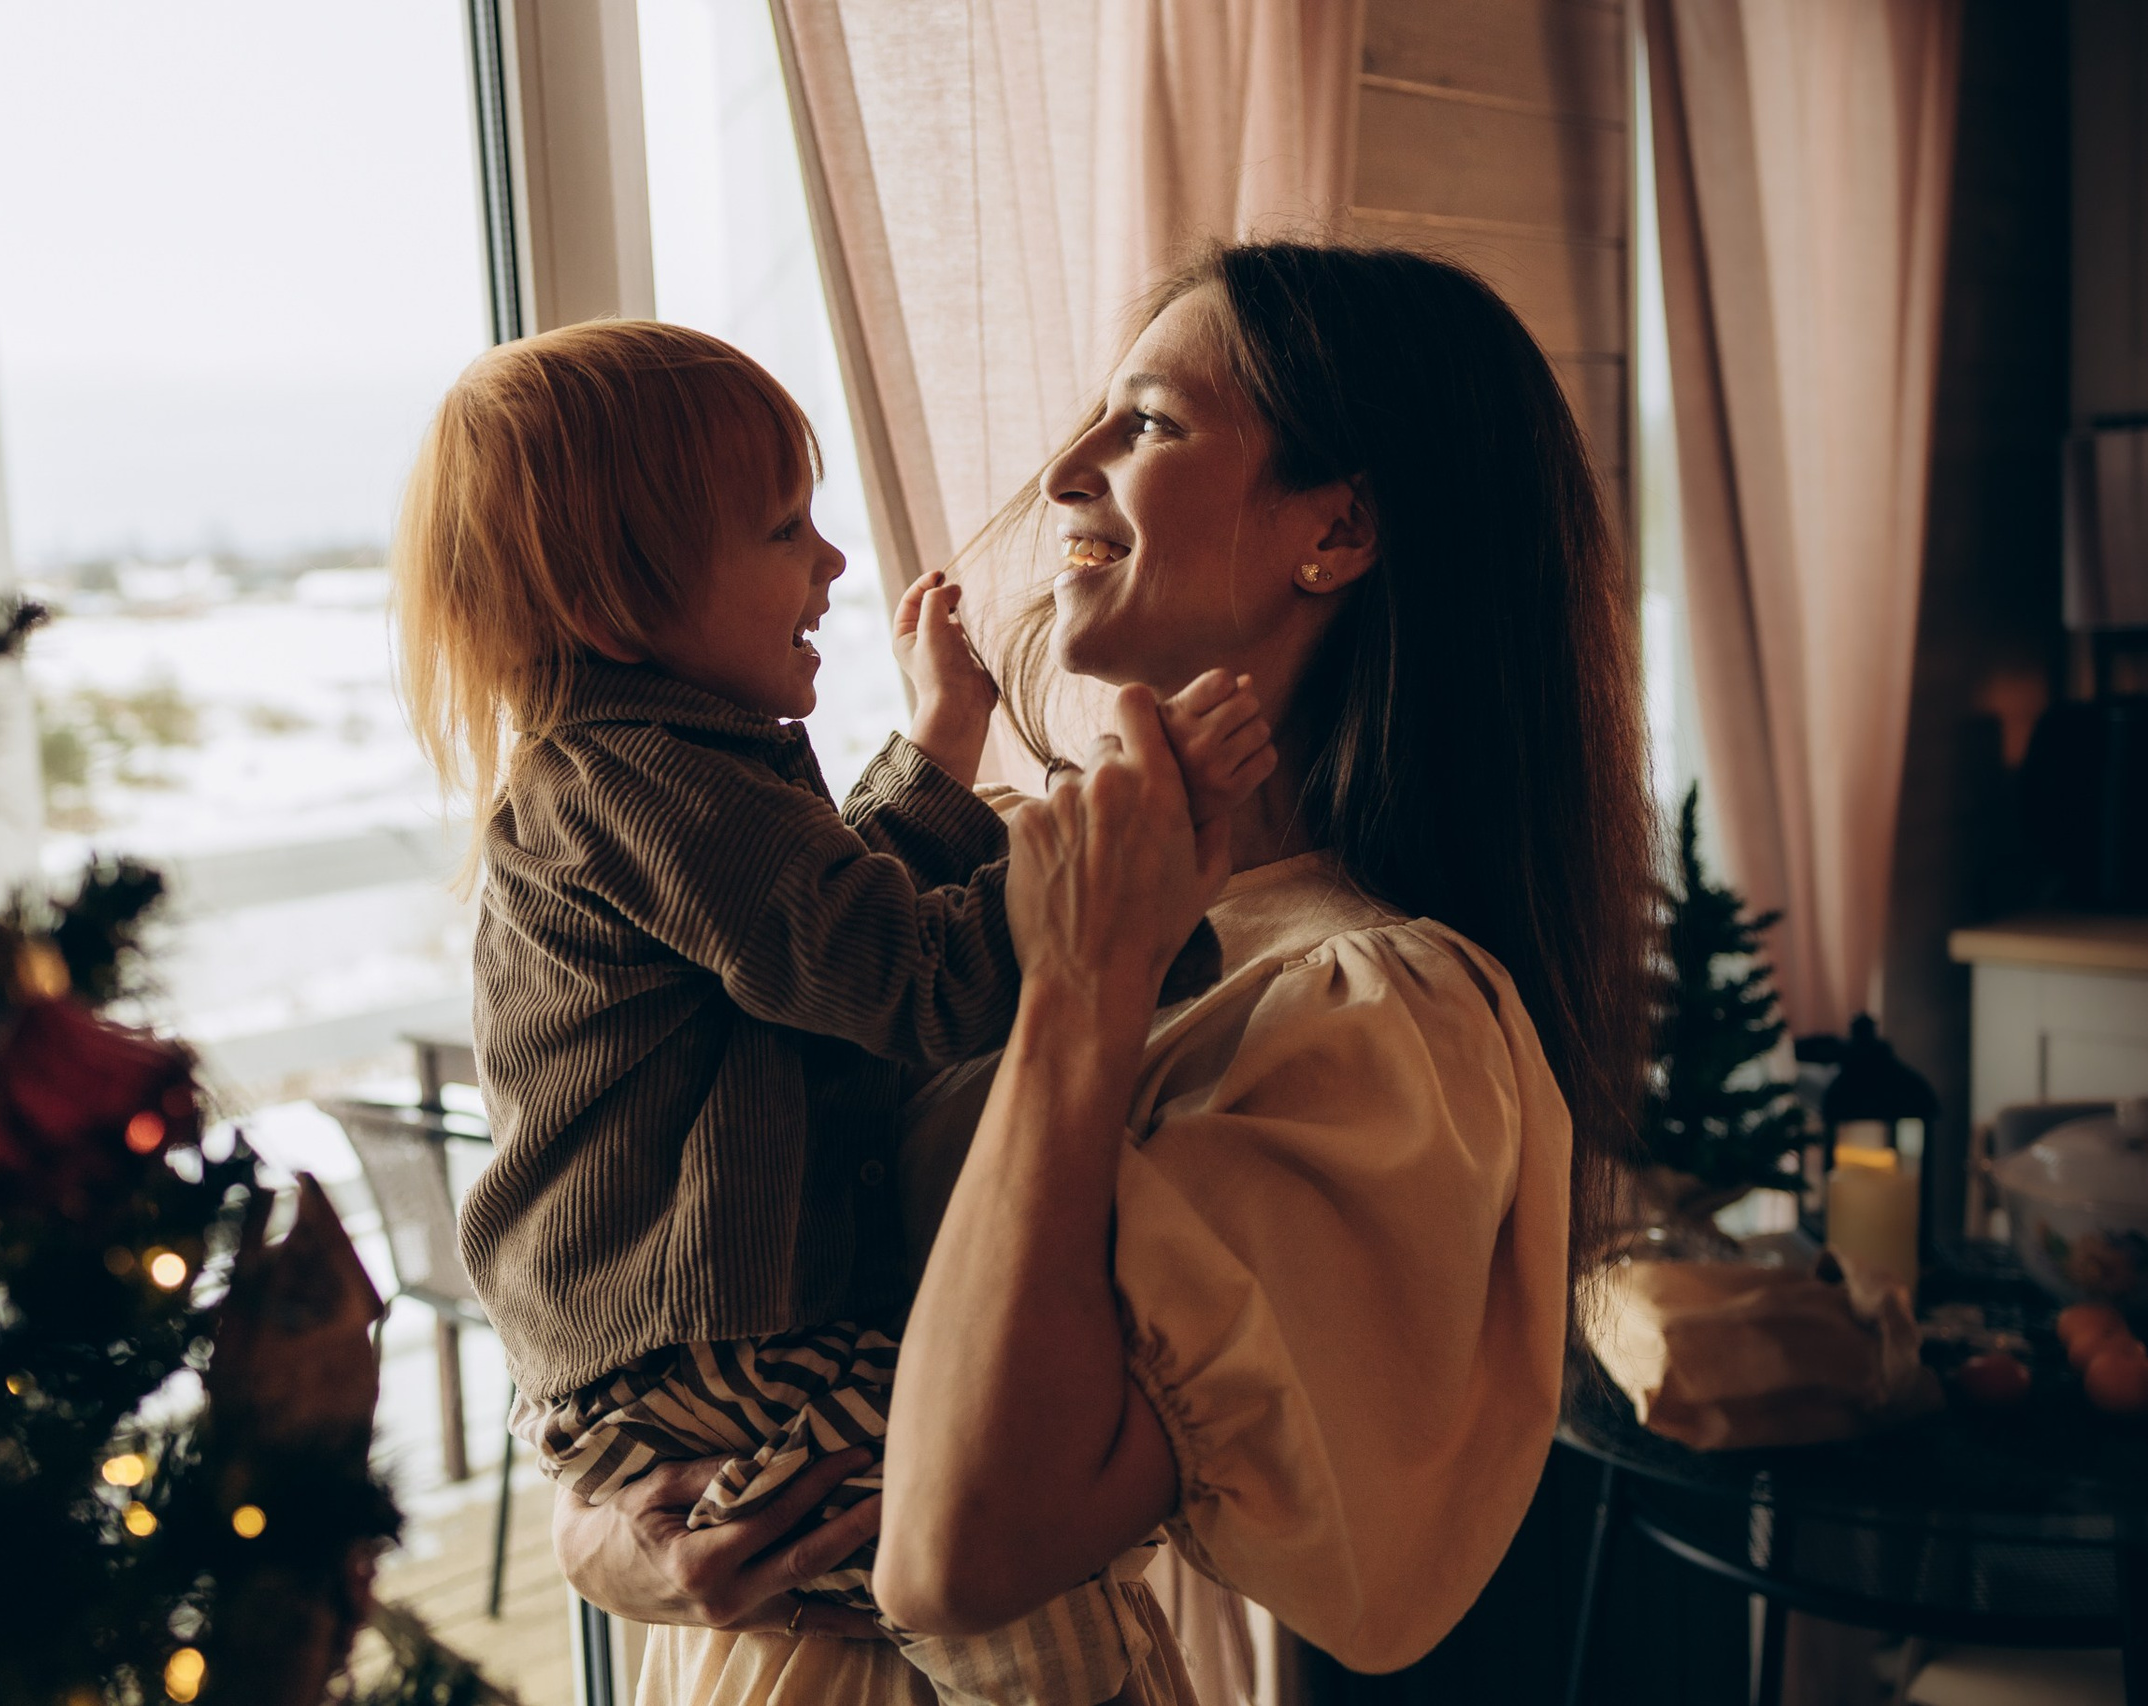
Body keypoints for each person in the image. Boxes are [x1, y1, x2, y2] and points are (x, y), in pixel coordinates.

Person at [549, 241, 1656, 1706]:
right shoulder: (993, 877)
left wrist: (1086, 989)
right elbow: (625, 1257)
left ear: (1338, 528)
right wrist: (619, 1542)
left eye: (1146, 422)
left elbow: (960, 1554)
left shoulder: (1385, 1024)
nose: (1067, 467)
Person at [389, 320, 1274, 1706]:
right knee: (976, 1511)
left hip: (672, 1359)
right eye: (784, 528)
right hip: (714, 1344)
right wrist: (1127, 842)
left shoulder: (651, 775)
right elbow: (896, 972)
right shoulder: (637, 779)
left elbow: (811, 930)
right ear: (619, 601)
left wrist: (938, 750)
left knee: (959, 1498)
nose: (834, 563)